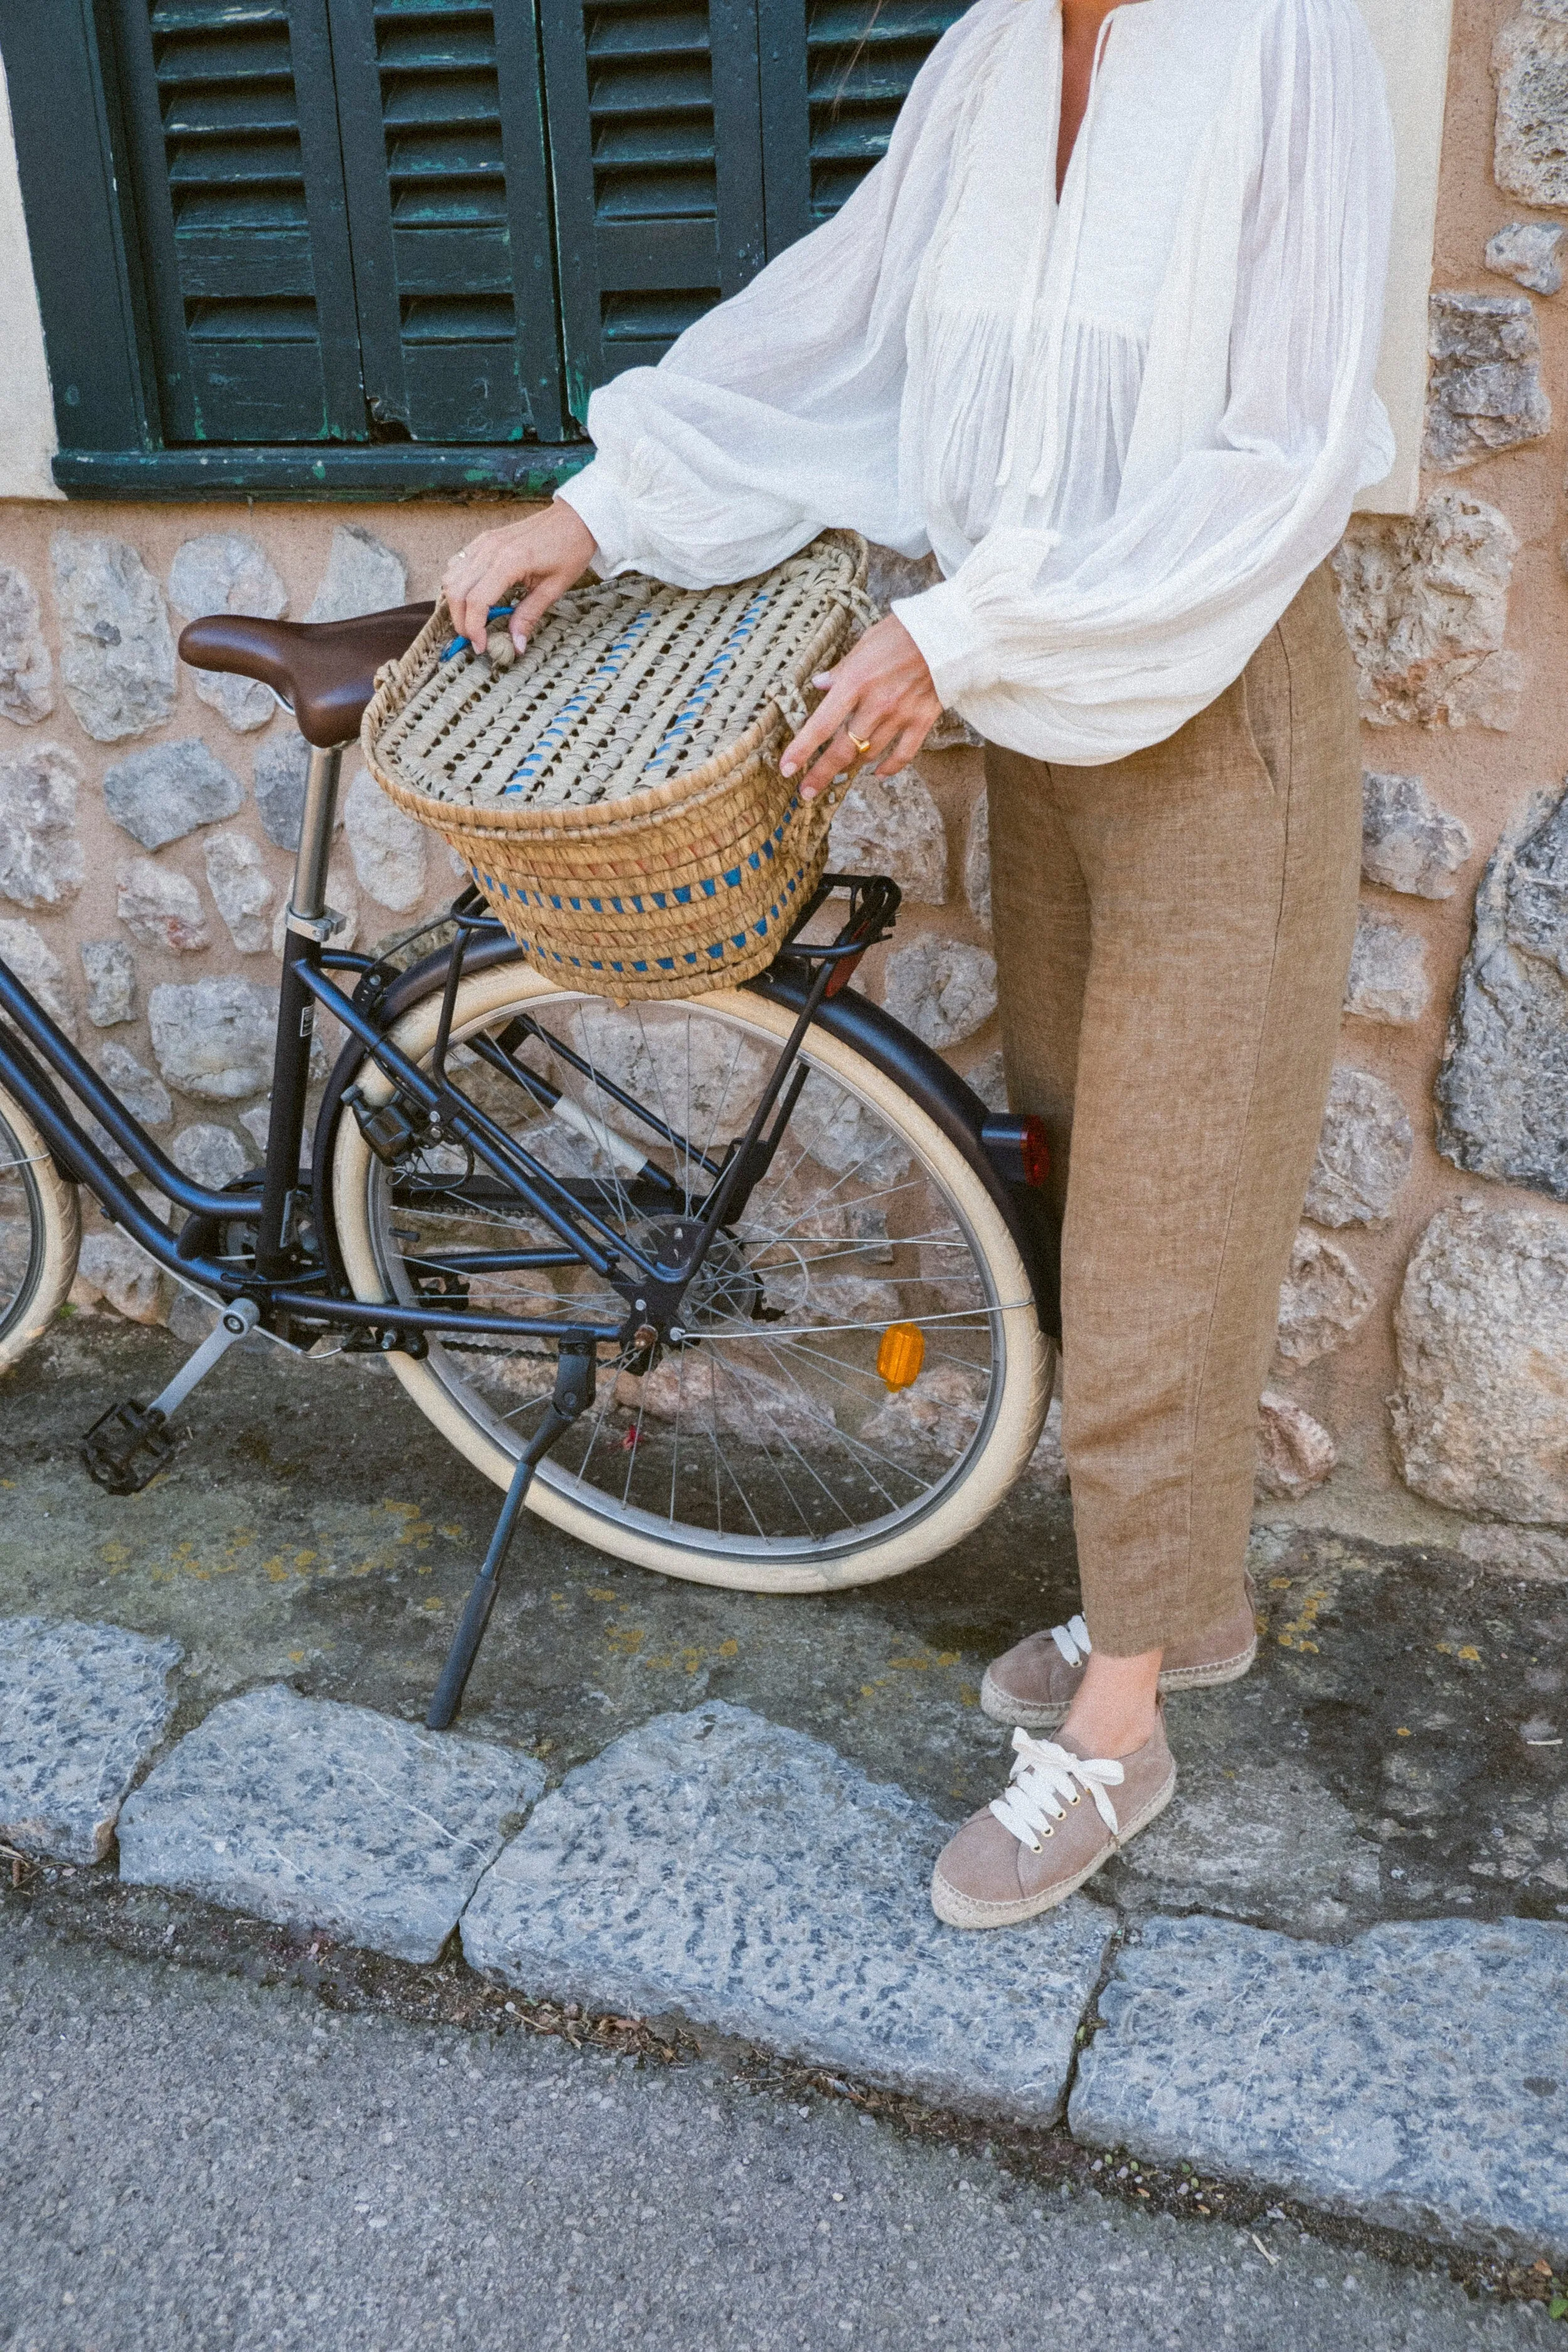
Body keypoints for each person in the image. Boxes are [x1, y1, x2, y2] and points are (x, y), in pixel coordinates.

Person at [442, 0, 1396, 1929]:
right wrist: (596, 505)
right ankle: (1178, 1606)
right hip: (1045, 719)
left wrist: (965, 633)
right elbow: (842, 331)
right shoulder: (983, 61)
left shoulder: (1285, 40)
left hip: (1221, 726)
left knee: (1163, 1221)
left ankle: (1118, 1727)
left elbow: (1276, 451)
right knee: (1079, 1164)